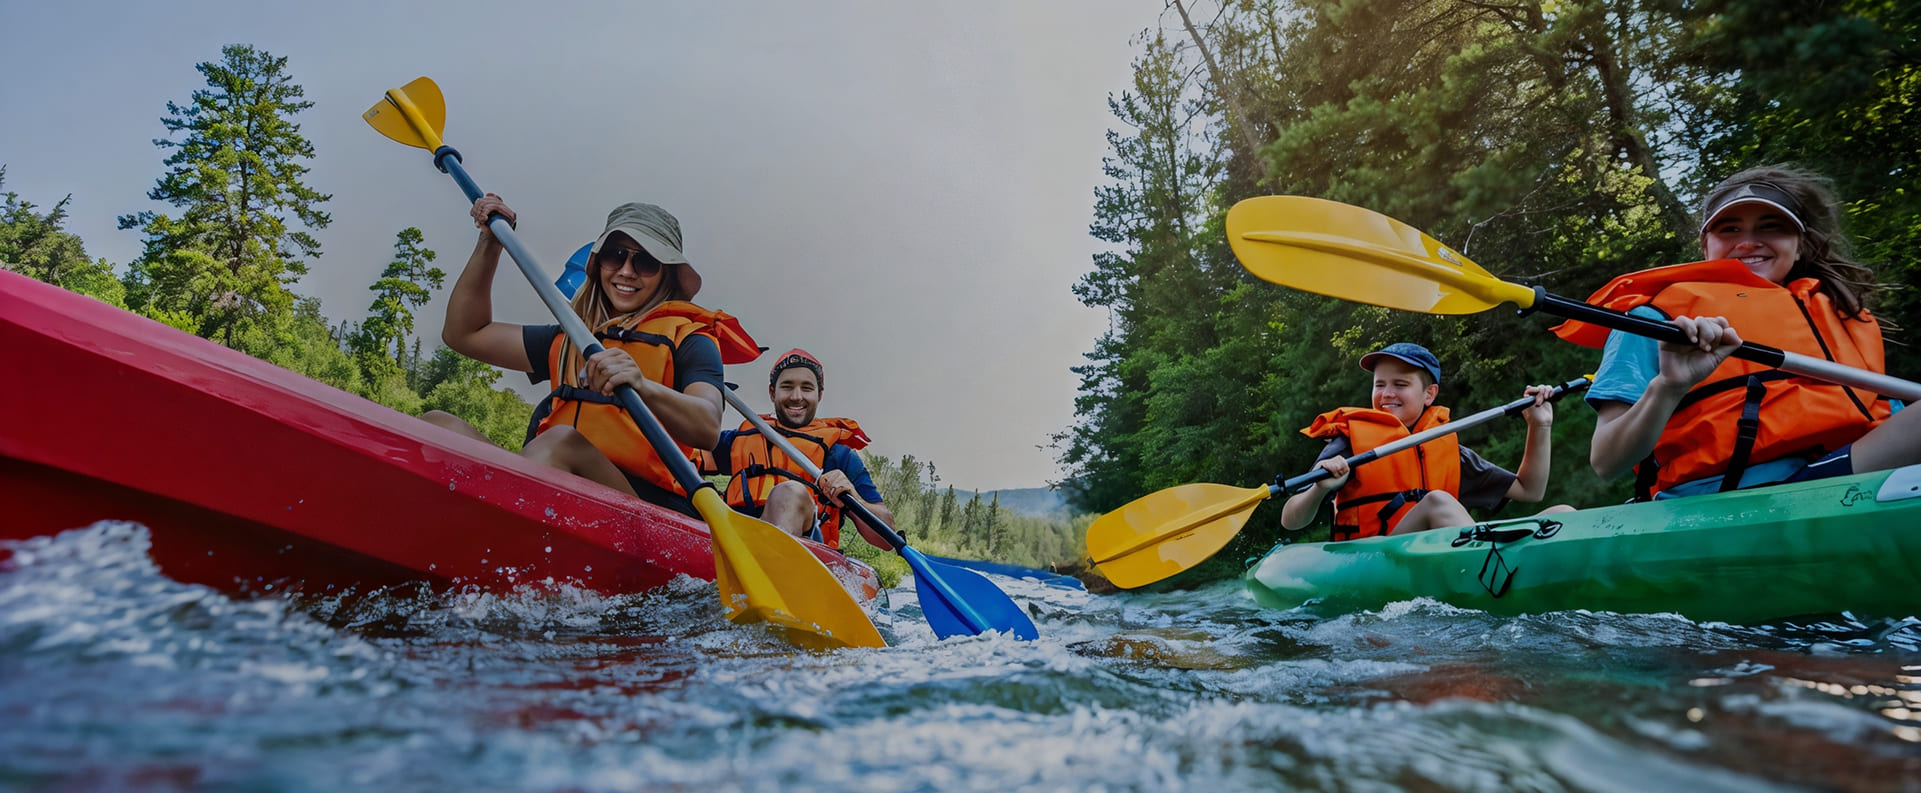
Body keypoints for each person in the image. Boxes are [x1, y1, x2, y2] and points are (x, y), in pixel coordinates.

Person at [1560, 165, 1917, 499]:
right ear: (1705, 246)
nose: (1748, 242)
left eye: (1770, 227)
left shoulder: (1844, 316)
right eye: (1729, 229)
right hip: (1727, 497)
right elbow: (1606, 461)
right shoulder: (1655, 319)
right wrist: (1669, 387)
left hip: (1851, 475)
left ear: (1800, 246)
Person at [423, 194, 754, 518]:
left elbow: (707, 425)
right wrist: (490, 244)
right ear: (599, 263)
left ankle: (487, 530)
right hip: (550, 482)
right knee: (438, 426)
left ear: (666, 272)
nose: (626, 271)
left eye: (646, 262)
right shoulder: (573, 338)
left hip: (649, 511)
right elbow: (465, 334)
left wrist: (642, 385)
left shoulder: (691, 339)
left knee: (562, 443)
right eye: (615, 256)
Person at [1278, 343, 1570, 538]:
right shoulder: (1349, 444)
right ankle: (1495, 561)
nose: (1386, 393)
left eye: (1400, 384)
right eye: (1380, 384)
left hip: (1433, 556)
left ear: (1429, 394)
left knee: (1563, 514)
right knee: (1437, 502)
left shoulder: (1446, 447)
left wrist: (1539, 425)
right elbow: (1290, 520)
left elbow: (1530, 490)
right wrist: (1319, 488)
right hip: (1373, 557)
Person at [699, 349, 894, 549]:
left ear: (819, 395)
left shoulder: (838, 455)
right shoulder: (739, 439)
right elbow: (686, 455)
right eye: (787, 387)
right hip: (737, 540)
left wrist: (854, 498)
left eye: (806, 388)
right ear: (772, 393)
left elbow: (887, 539)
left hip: (807, 551)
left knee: (789, 493)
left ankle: (770, 562)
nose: (796, 396)